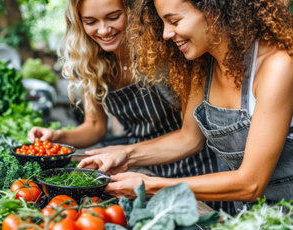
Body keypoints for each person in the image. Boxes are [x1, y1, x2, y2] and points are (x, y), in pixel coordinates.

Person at [79, 0, 293, 212]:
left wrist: (150, 185)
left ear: (213, 10)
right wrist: (126, 154)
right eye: (163, 23)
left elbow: (251, 183)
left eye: (174, 21)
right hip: (252, 217)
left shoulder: (278, 67)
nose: (166, 34)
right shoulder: (203, 64)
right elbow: (188, 139)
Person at [28, 0, 233, 213]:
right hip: (137, 170)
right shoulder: (92, 61)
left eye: (114, 17)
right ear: (79, 23)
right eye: (90, 21)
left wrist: (125, 152)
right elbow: (95, 126)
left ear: (133, 12)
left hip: (193, 169)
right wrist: (57, 136)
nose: (104, 30)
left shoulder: (168, 52)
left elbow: (190, 139)